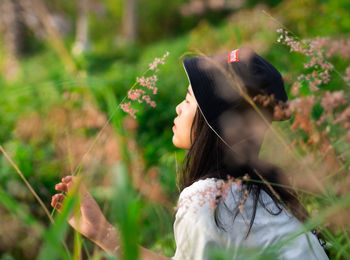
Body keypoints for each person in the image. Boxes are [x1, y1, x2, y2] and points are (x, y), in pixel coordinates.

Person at [51, 46, 329, 259]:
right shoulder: (261, 190)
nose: (178, 108)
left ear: (214, 121)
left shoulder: (206, 198)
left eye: (188, 99)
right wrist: (101, 231)